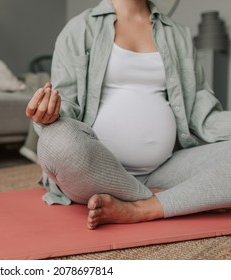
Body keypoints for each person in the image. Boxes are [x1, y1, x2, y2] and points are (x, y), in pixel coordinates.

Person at [25, 0, 231, 230]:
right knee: (55, 142)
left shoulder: (177, 35)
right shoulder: (79, 28)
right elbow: (67, 104)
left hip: (164, 170)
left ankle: (145, 206)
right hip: (97, 172)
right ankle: (180, 198)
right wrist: (49, 115)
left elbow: (202, 113)